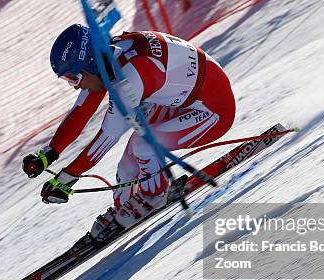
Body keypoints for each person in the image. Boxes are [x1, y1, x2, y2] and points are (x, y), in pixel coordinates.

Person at [22, 24, 236, 233]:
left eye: (73, 78)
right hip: (179, 101)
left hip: (214, 110)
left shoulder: (131, 76)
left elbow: (107, 137)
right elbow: (81, 111)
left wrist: (66, 179)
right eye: (68, 80)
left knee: (144, 148)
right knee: (127, 170)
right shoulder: (108, 58)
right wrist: (48, 154)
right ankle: (124, 208)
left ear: (89, 64)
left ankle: (153, 197)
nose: (76, 86)